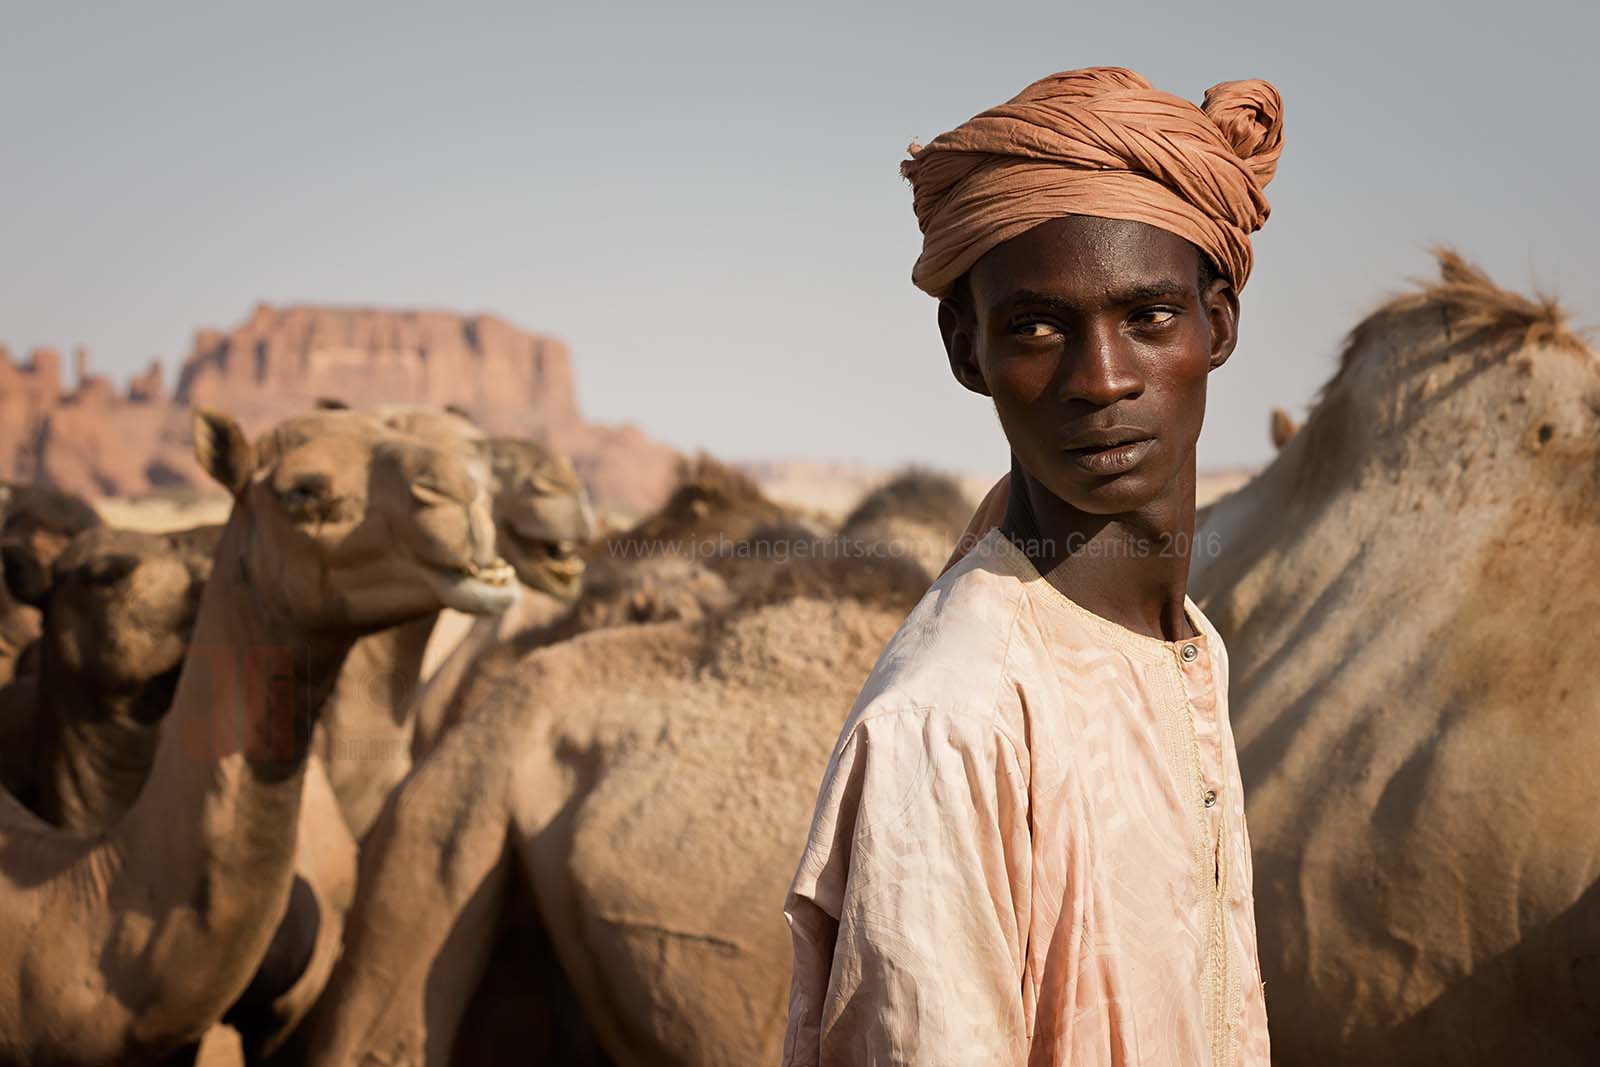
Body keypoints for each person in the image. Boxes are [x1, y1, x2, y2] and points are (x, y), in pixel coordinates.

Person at [781, 67, 1282, 1066]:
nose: (1100, 379)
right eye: (1036, 327)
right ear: (967, 350)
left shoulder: (1187, 646)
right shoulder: (953, 717)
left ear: (1215, 325)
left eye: (1147, 316)